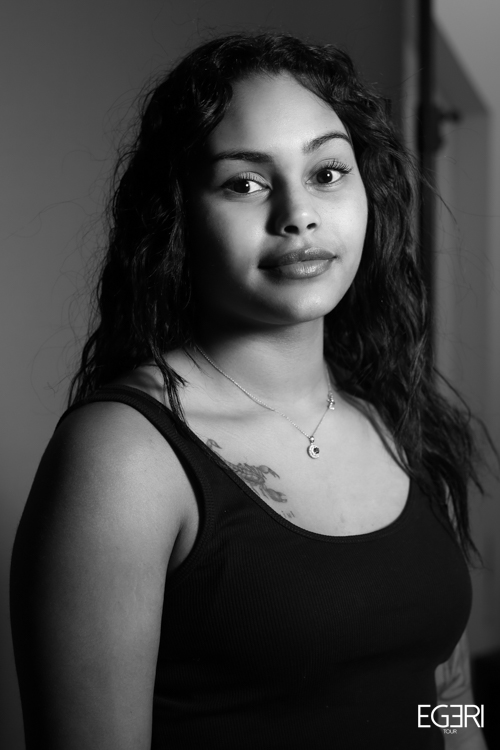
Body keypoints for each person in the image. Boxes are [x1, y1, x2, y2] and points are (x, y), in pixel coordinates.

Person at [10, 32, 489, 750]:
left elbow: (446, 694)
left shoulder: (398, 416)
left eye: (328, 172)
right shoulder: (126, 455)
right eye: (245, 183)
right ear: (179, 215)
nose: (298, 212)